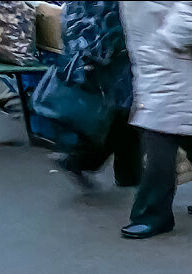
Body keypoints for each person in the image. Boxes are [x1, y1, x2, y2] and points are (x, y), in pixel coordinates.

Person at [119, 1, 192, 239]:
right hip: (164, 58)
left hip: (177, 59)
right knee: (191, 134)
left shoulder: (168, 42)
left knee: (158, 133)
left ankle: (153, 214)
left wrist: (170, 38)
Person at [53, 1, 141, 190]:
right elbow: (97, 18)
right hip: (107, 54)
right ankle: (83, 161)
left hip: (107, 52)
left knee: (124, 113)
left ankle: (124, 171)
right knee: (122, 113)